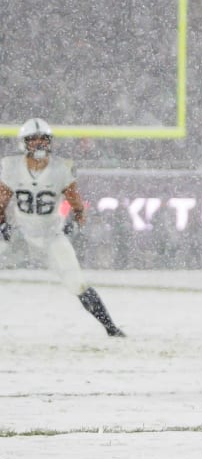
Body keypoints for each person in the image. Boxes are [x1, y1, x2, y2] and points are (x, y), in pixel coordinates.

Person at [0, 118, 124, 337]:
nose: (38, 143)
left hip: (51, 235)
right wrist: (3, 226)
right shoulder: (11, 167)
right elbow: (1, 204)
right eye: (33, 139)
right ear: (24, 143)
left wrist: (75, 224)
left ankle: (111, 329)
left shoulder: (61, 168)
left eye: (42, 139)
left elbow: (78, 207)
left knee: (77, 283)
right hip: (21, 233)